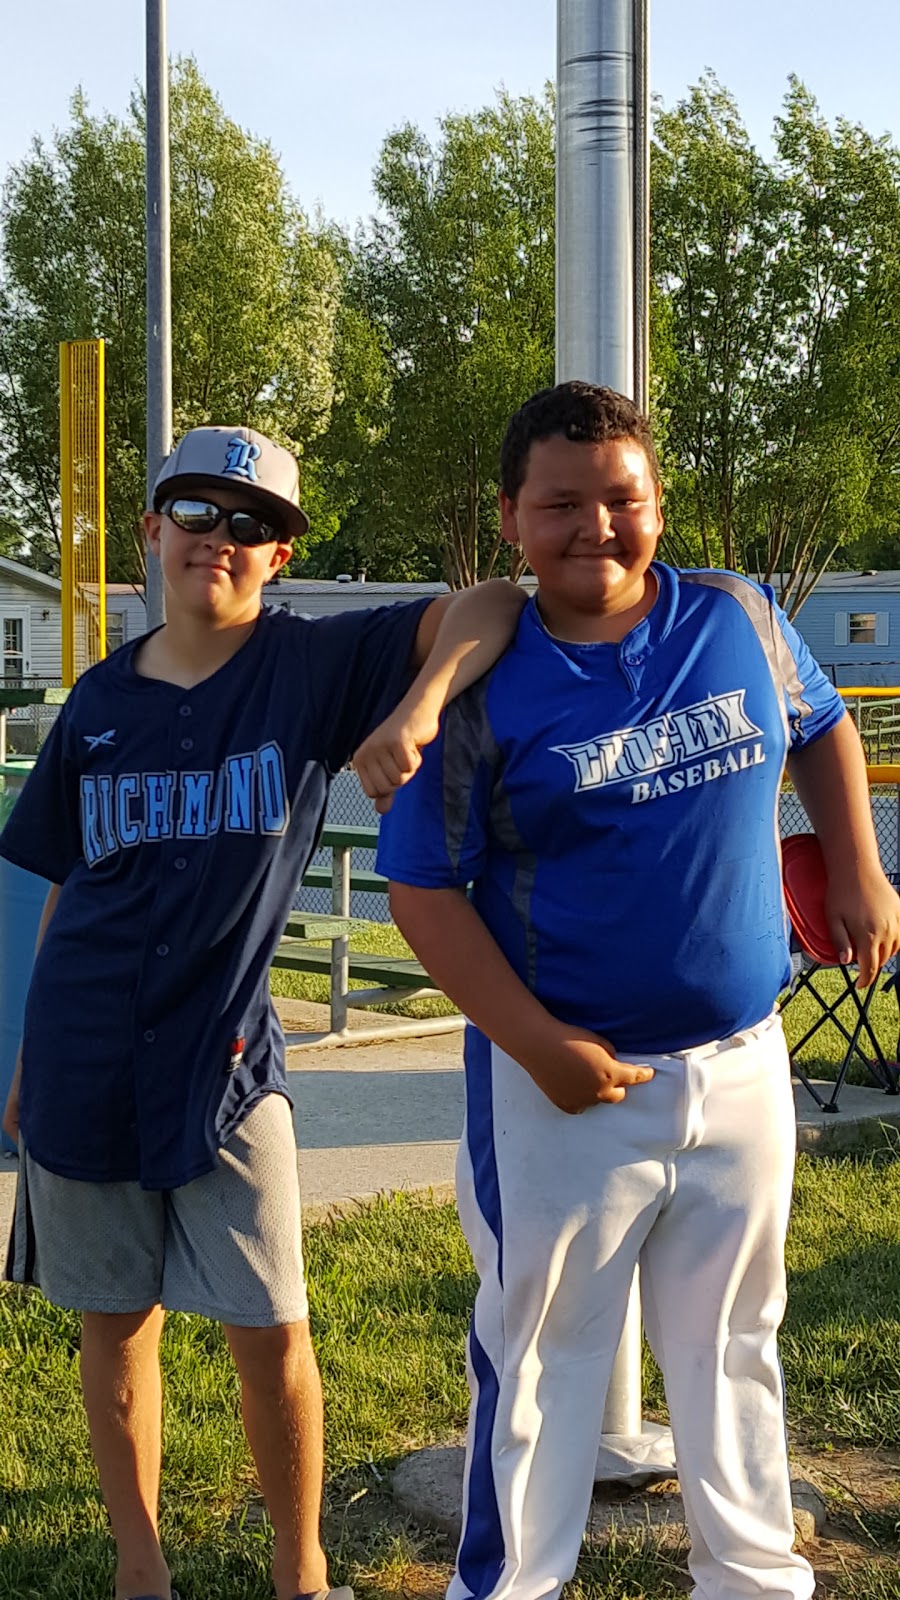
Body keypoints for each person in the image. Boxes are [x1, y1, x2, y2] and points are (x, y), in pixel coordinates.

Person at [376, 382, 900, 1600]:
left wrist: (860, 865)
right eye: (561, 503)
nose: (596, 527)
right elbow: (422, 890)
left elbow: (821, 725)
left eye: (622, 498)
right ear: (511, 517)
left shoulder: (736, 613)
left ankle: (753, 1577)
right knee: (541, 1360)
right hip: (564, 1084)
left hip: (742, 1056)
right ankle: (509, 1586)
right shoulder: (481, 681)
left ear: (659, 501)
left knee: (734, 1342)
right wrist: (535, 1042)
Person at [0, 423, 527, 1600]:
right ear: (151, 530)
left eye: (252, 524)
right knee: (114, 1324)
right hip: (85, 1054)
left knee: (273, 1326)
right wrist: (30, 1052)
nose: (220, 539)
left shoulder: (309, 665)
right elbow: (71, 885)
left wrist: (414, 710)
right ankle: (142, 1570)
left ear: (280, 555)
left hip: (232, 1066)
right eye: (196, 512)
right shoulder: (95, 702)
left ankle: (302, 1572)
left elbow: (494, 602)